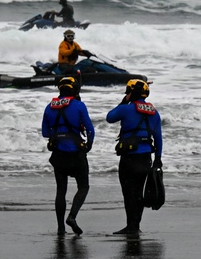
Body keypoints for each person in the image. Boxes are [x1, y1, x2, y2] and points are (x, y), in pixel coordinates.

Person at [106, 79, 162, 235]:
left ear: (131, 93)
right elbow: (158, 138)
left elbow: (109, 117)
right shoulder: (154, 112)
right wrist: (158, 158)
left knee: (128, 193)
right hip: (146, 158)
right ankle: (136, 226)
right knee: (138, 193)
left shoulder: (126, 109)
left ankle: (131, 226)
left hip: (129, 158)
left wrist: (124, 101)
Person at [41, 76, 95, 235]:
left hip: (59, 155)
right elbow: (91, 130)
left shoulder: (49, 107)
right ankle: (72, 216)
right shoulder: (79, 106)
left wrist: (59, 135)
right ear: (75, 90)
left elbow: (45, 133)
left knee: (61, 191)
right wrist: (88, 145)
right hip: (77, 155)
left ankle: (60, 228)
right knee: (83, 187)